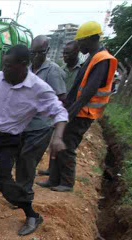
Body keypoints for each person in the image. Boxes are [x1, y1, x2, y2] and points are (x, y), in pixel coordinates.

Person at [0, 45, 68, 236]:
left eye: (8, 66)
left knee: (6, 184)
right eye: (3, 64)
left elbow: (59, 112)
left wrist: (57, 137)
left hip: (8, 142)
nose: (3, 69)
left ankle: (32, 215)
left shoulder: (37, 88)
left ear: (23, 65)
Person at [37, 21, 117, 192]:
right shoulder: (93, 57)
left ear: (90, 39)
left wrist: (69, 114)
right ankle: (54, 179)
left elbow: (88, 93)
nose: (79, 45)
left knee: (67, 145)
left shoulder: (102, 59)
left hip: (84, 113)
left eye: (81, 41)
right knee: (60, 142)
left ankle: (66, 182)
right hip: (77, 110)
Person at [15, 35, 66, 202]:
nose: (35, 56)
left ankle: (24, 196)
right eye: (32, 52)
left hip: (41, 126)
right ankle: (20, 189)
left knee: (28, 160)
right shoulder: (27, 69)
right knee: (21, 159)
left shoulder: (53, 71)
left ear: (47, 51)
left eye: (39, 53)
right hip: (24, 125)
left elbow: (60, 99)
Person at [37, 40, 81, 177]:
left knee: (67, 144)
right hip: (59, 108)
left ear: (77, 53)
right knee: (54, 140)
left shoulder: (82, 70)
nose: (65, 56)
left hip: (73, 110)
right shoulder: (62, 69)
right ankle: (52, 170)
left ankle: (66, 179)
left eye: (68, 53)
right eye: (64, 53)